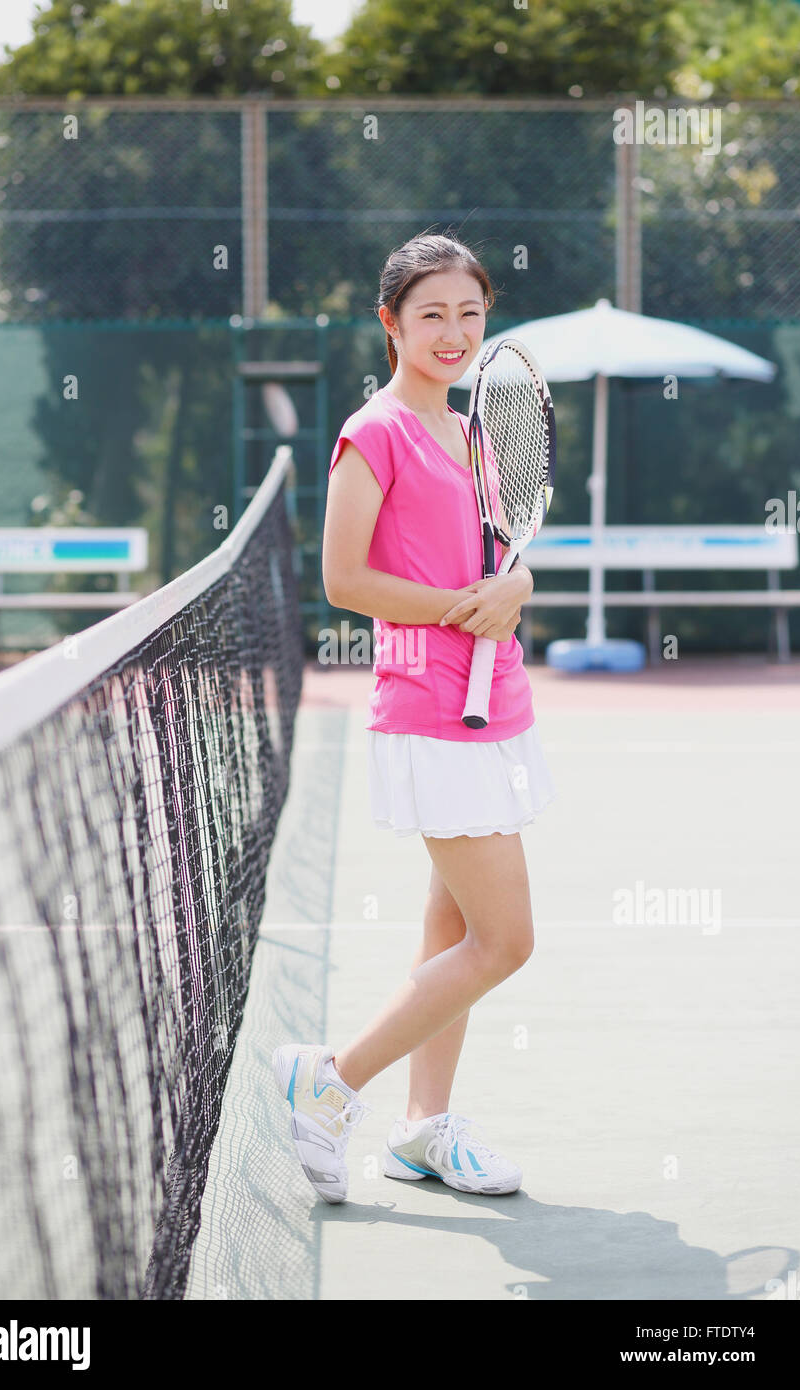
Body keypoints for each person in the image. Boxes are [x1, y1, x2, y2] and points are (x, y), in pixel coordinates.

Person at [273, 231, 555, 1203]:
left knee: (450, 918)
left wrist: (512, 584)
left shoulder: (474, 432)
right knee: (504, 939)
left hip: (495, 700)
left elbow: (494, 557)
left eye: (469, 314)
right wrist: (458, 606)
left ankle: (421, 1129)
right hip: (430, 707)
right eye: (431, 313)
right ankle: (331, 1079)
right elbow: (344, 579)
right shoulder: (376, 430)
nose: (453, 332)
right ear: (389, 322)